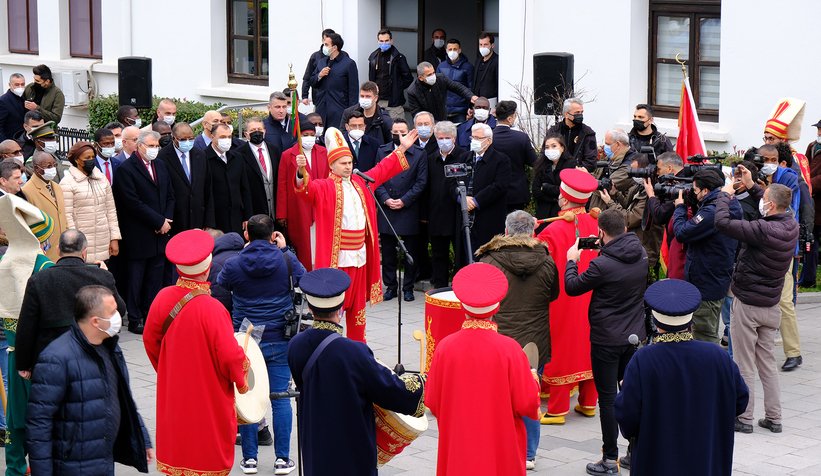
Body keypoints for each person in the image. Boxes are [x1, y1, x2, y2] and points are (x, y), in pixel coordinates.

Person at [287, 267, 425, 476]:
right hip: (350, 451)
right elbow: (393, 391)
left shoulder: (296, 345)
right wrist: (420, 380)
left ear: (311, 309)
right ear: (341, 309)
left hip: (316, 446)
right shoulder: (354, 352)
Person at [293, 127, 418, 342]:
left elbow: (383, 168)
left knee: (358, 308)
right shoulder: (324, 187)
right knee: (335, 306)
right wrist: (300, 172)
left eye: (350, 162)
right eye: (343, 163)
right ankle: (330, 345)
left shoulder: (361, 183)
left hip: (360, 255)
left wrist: (403, 148)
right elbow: (306, 189)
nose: (348, 166)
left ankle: (358, 346)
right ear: (332, 165)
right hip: (338, 258)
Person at [615, 279, 749, 475]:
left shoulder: (643, 360)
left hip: (658, 462)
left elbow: (628, 419)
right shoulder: (717, 356)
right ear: (691, 317)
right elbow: (740, 400)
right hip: (706, 460)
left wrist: (624, 391)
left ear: (655, 319)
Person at [144, 229, 250, 475]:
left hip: (175, 395)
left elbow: (150, 341)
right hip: (208, 396)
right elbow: (229, 357)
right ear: (208, 266)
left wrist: (169, 369)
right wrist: (243, 378)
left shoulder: (162, 298)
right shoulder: (213, 309)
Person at [425, 262, 540, 475]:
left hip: (459, 446)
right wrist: (533, 380)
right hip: (499, 446)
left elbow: (432, 401)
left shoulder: (445, 347)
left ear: (463, 307)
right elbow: (527, 404)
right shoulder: (510, 350)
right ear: (496, 308)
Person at [26, 285, 153, 474]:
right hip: (72, 466)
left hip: (103, 460)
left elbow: (124, 397)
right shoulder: (56, 358)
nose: (118, 316)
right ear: (95, 321)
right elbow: (39, 423)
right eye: (112, 312)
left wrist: (142, 438)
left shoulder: (110, 348)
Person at [217, 215, 304, 474]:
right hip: (279, 337)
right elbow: (303, 278)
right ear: (272, 235)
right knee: (279, 398)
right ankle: (282, 459)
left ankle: (250, 459)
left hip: (246, 339)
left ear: (247, 235)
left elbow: (221, 284)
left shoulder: (234, 263)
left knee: (246, 397)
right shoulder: (285, 259)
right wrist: (285, 248)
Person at [565, 208, 648, 475]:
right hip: (633, 335)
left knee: (608, 399)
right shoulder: (642, 254)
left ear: (601, 232)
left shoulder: (602, 265)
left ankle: (609, 458)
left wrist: (571, 260)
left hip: (606, 339)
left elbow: (572, 286)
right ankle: (634, 454)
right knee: (633, 395)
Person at [715, 172, 799, 434]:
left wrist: (725, 194)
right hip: (771, 306)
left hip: (748, 304)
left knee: (744, 362)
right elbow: (770, 205)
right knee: (766, 362)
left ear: (770, 205)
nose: (761, 201)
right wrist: (752, 187)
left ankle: (744, 417)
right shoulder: (791, 225)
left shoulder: (762, 230)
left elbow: (723, 223)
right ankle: (774, 417)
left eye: (763, 198)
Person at [476, 210, 559, 470]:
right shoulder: (547, 261)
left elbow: (481, 298)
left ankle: (497, 447)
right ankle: (529, 453)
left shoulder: (490, 260)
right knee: (530, 393)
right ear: (532, 232)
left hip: (500, 337)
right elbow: (553, 294)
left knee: (497, 396)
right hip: (535, 339)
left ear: (507, 231)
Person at [16, 228, 126, 376]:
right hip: (93, 355)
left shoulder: (39, 280)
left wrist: (24, 363)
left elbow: (27, 325)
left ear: (58, 249)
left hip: (50, 357)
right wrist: (106, 276)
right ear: (84, 252)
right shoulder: (102, 276)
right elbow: (120, 311)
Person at [536, 169, 599, 425]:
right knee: (589, 342)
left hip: (563, 296)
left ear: (563, 198)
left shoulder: (554, 230)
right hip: (593, 293)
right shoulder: (597, 223)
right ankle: (588, 402)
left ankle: (558, 407)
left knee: (562, 343)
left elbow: (535, 259)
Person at [0, 194, 54, 476]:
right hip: (41, 355)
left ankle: (15, 469)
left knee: (15, 419)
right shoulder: (44, 265)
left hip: (12, 353)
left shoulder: (6, 262)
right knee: (44, 415)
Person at [112, 131, 175, 334]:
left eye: (156, 145)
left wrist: (165, 220)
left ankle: (150, 314)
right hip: (139, 233)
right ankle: (135, 317)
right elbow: (132, 203)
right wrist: (157, 221)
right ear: (139, 146)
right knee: (135, 279)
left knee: (155, 278)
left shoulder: (161, 166)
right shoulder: (126, 169)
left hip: (160, 233)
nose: (155, 149)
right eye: (150, 145)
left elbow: (170, 196)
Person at [672, 169, 741, 343]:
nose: (693, 194)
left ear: (705, 191)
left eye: (695, 191)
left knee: (704, 334)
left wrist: (680, 208)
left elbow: (682, 233)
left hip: (706, 282)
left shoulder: (712, 211)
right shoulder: (729, 204)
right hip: (716, 276)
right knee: (707, 328)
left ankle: (712, 368)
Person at [375, 119, 428, 302]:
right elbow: (377, 177)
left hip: (409, 208)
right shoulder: (382, 151)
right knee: (388, 252)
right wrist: (386, 199)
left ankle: (408, 287)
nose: (399, 135)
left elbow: (421, 182)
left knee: (410, 251)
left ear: (409, 133)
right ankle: (390, 286)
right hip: (387, 207)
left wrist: (404, 201)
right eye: (395, 132)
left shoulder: (420, 154)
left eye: (403, 132)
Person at [276, 122, 329, 270]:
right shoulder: (288, 155)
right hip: (298, 207)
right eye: (305, 135)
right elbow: (282, 185)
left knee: (320, 243)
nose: (309, 138)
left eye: (312, 135)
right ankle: (303, 278)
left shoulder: (323, 152)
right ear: (299, 136)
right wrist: (282, 213)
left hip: (320, 205)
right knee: (303, 244)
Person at [599, 154, 664, 270]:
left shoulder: (651, 193)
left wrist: (610, 202)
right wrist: (615, 193)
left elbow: (630, 219)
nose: (632, 175)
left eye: (634, 171)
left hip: (644, 250)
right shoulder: (638, 187)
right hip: (632, 245)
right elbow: (627, 205)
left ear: (645, 170)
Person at [60, 141, 121, 264]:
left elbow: (110, 210)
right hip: (82, 244)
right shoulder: (67, 183)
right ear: (77, 160)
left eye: (93, 157)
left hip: (103, 242)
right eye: (87, 158)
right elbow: (67, 215)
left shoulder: (101, 178)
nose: (91, 160)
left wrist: (114, 238)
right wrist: (74, 244)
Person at [427, 120, 470, 285]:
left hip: (457, 214)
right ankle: (440, 287)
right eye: (439, 137)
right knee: (439, 255)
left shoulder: (464, 156)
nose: (443, 140)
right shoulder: (432, 158)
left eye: (447, 137)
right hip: (437, 214)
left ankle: (461, 286)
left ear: (454, 138)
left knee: (461, 254)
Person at [157, 122, 214, 234]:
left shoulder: (200, 155)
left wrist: (209, 222)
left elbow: (207, 188)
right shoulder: (162, 157)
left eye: (191, 138)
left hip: (198, 218)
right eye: (183, 139)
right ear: (174, 138)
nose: (187, 142)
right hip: (175, 220)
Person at [465, 122, 511, 250]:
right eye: (472, 137)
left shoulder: (501, 160)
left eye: (478, 138)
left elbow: (499, 186)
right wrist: (462, 198)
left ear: (489, 141)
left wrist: (475, 201)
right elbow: (452, 182)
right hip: (465, 216)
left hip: (489, 216)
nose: (474, 141)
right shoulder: (465, 157)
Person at [643, 152, 687, 279]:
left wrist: (651, 195)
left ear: (669, 169)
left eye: (659, 169)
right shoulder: (681, 180)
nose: (657, 173)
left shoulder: (679, 187)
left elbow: (660, 215)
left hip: (678, 244)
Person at [308, 33, 359, 132]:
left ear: (335, 47)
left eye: (326, 45)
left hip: (339, 111)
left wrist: (351, 114)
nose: (324, 47)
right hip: (321, 109)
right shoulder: (322, 62)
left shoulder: (348, 64)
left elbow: (353, 91)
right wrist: (319, 75)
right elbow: (312, 82)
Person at [207, 123, 252, 235]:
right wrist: (209, 223)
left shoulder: (237, 157)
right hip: (217, 220)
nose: (226, 140)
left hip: (237, 217)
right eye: (222, 137)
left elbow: (245, 188)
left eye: (229, 137)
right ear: (212, 137)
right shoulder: (203, 158)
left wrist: (248, 216)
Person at [21, 150, 67, 261]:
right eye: (48, 166)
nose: (53, 169)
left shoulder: (56, 186)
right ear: (36, 168)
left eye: (54, 165)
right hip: (46, 252)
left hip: (63, 249)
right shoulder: (27, 191)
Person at [492, 101, 537, 212]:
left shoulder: (488, 137)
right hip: (517, 192)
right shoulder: (521, 138)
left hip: (493, 192)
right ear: (510, 118)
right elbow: (534, 162)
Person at [234, 116, 281, 219]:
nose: (257, 132)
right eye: (252, 130)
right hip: (254, 212)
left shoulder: (275, 150)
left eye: (259, 129)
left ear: (264, 131)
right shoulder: (238, 154)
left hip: (275, 211)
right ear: (246, 134)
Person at [405, 61, 476, 122]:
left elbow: (457, 87)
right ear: (420, 77)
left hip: (442, 118)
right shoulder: (413, 91)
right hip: (426, 124)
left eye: (433, 73)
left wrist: (471, 96)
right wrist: (433, 123)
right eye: (429, 75)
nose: (433, 76)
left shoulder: (440, 79)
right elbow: (417, 114)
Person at [367, 29, 413, 121]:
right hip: (378, 101)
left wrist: (397, 87)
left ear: (391, 40)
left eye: (386, 40)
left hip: (394, 104)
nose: (384, 43)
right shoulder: (373, 57)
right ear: (378, 41)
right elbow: (371, 79)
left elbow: (408, 78)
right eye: (381, 41)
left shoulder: (398, 57)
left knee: (397, 129)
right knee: (378, 130)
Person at [588, 129, 637, 211]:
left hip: (611, 214)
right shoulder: (611, 157)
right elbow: (596, 174)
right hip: (597, 209)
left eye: (607, 144)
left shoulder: (630, 165)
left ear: (618, 144)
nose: (604, 147)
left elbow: (606, 186)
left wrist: (585, 177)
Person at [532, 134, 577, 221]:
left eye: (554, 146)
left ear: (562, 148)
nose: (550, 150)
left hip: (562, 211)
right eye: (547, 147)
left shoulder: (570, 164)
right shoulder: (541, 164)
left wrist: (546, 188)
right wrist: (554, 197)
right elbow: (536, 190)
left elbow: (566, 190)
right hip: (543, 210)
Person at [547, 98, 597, 171]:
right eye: (577, 113)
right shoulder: (554, 131)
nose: (580, 115)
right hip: (556, 176)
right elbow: (545, 155)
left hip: (578, 176)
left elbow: (591, 161)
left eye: (581, 112)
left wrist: (574, 169)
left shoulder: (588, 133)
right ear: (566, 114)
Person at [436, 38, 475, 123]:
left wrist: (471, 107)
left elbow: (471, 88)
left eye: (455, 49)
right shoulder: (440, 66)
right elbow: (436, 88)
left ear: (459, 50)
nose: (452, 51)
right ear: (446, 50)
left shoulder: (468, 67)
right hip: (443, 111)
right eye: (450, 49)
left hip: (461, 111)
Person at [301, 29, 336, 105]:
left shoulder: (343, 56)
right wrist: (304, 96)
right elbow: (307, 77)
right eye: (324, 40)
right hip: (319, 98)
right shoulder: (315, 56)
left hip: (336, 99)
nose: (325, 42)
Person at [473, 32, 499, 108]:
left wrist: (497, 106)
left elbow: (498, 84)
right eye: (480, 45)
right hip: (477, 102)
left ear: (492, 45)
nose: (482, 47)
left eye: (485, 44)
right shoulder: (478, 61)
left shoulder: (497, 61)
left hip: (491, 103)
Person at [0, 73, 26, 142]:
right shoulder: (3, 101)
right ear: (10, 85)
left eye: (22, 84)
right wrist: (6, 145)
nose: (20, 87)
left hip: (25, 142)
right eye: (17, 85)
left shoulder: (25, 98)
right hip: (11, 142)